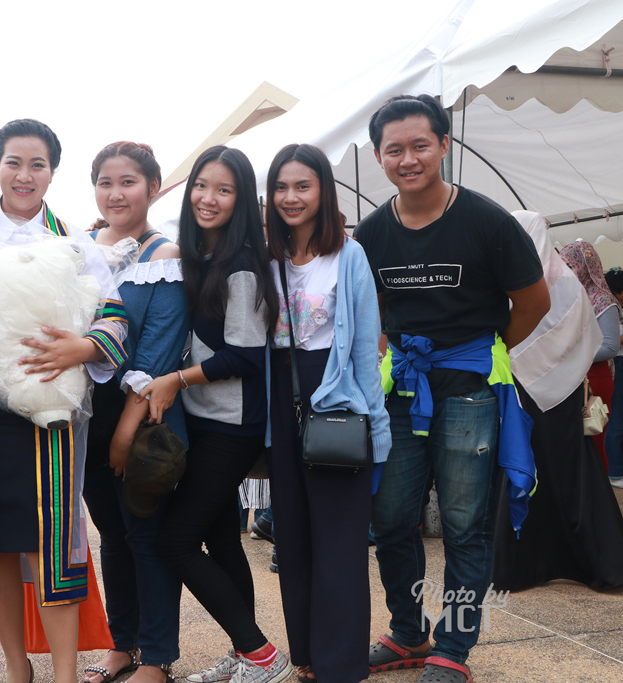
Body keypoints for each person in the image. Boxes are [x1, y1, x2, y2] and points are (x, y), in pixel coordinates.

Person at [353, 95, 549, 683]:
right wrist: (392, 355)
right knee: (390, 519)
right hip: (402, 393)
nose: (408, 159)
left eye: (420, 145)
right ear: (379, 157)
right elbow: (370, 309)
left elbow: (533, 301)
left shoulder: (487, 221)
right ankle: (408, 633)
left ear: (443, 145)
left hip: (470, 394)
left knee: (465, 524)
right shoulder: (372, 232)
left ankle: (454, 647)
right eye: (394, 149)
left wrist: (483, 352)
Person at [0, 119, 128, 683]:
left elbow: (114, 315)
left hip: (54, 409)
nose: (24, 176)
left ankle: (65, 673)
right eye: (14, 163)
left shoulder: (72, 241)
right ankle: (15, 665)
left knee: (52, 538)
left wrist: (83, 347)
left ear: (52, 172)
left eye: (37, 165)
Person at [140, 146, 289, 683]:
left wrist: (175, 379)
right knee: (223, 539)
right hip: (202, 420)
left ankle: (262, 654)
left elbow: (243, 357)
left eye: (224, 190)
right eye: (201, 186)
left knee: (176, 541)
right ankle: (244, 653)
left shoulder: (242, 264)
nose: (208, 198)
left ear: (241, 199)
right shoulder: (198, 255)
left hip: (232, 425)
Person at [265, 143, 391, 683]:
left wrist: (376, 427)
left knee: (340, 543)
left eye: (303, 185)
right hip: (279, 402)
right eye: (281, 187)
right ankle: (308, 656)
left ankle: (341, 665)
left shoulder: (349, 255)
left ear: (323, 190)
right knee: (292, 540)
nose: (291, 197)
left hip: (335, 401)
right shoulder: (264, 256)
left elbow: (364, 348)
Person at [82, 142, 187, 683]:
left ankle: (158, 656)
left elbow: (157, 353)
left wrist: (124, 432)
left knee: (145, 536)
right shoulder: (78, 247)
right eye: (105, 182)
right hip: (84, 417)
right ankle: (121, 644)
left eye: (128, 182)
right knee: (111, 535)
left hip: (144, 420)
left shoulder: (163, 254)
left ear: (153, 187)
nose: (115, 193)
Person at [492, 211, 623, 591]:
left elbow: (593, 340)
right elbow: (585, 340)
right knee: (570, 474)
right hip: (557, 394)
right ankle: (596, 560)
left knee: (522, 467)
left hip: (526, 394)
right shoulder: (565, 283)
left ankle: (520, 566)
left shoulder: (517, 282)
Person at [559, 241, 620, 471]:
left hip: (593, 378)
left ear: (585, 266)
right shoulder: (570, 297)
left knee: (592, 439)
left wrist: (569, 356)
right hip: (572, 377)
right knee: (574, 444)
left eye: (569, 265)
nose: (564, 271)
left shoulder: (602, 300)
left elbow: (610, 347)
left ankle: (597, 491)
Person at [603, 267, 623, 487]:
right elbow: (613, 340)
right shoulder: (608, 306)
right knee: (616, 418)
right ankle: (615, 472)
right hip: (617, 364)